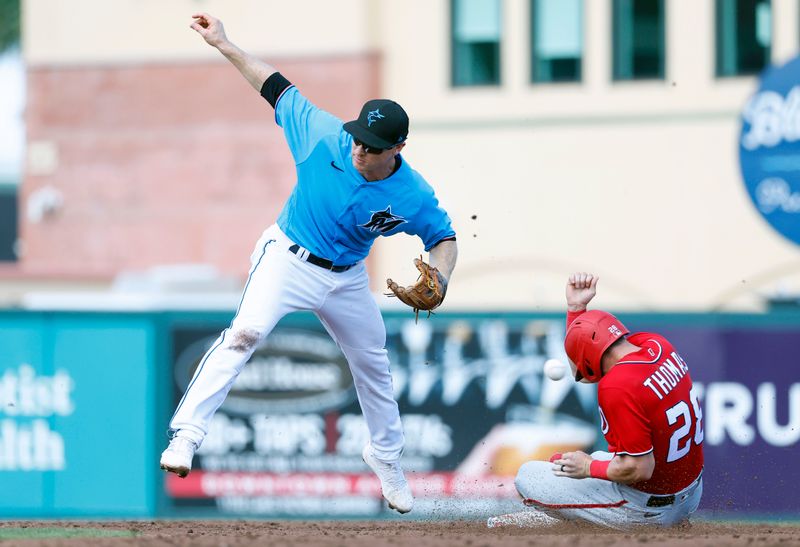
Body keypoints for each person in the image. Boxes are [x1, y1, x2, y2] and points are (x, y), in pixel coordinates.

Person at [159, 13, 458, 515]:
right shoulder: (324, 135)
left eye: (374, 145)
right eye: (361, 137)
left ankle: (386, 457)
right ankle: (187, 435)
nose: (362, 147)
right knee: (244, 333)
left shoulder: (412, 194)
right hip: (288, 258)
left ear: (399, 149)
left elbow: (444, 238)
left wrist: (442, 276)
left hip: (346, 279)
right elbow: (272, 85)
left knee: (374, 365)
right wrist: (225, 44)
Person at [512, 272, 704, 529]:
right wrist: (577, 310)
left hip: (647, 508)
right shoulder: (657, 345)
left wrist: (589, 467)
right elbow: (593, 347)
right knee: (600, 457)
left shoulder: (617, 386)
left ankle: (565, 524)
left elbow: (639, 469)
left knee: (529, 477)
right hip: (691, 493)